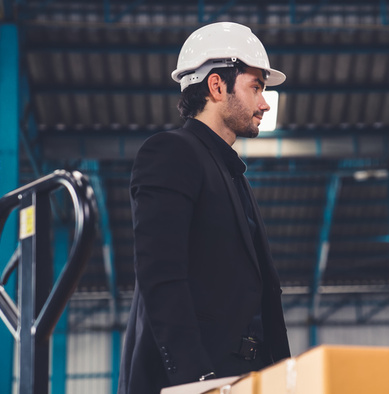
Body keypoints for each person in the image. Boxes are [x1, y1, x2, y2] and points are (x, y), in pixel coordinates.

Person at [118, 22, 290, 393]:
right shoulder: (171, 153)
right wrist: (196, 381)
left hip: (245, 379)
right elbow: (160, 275)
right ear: (216, 85)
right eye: (256, 87)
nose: (264, 103)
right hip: (197, 381)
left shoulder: (232, 175)